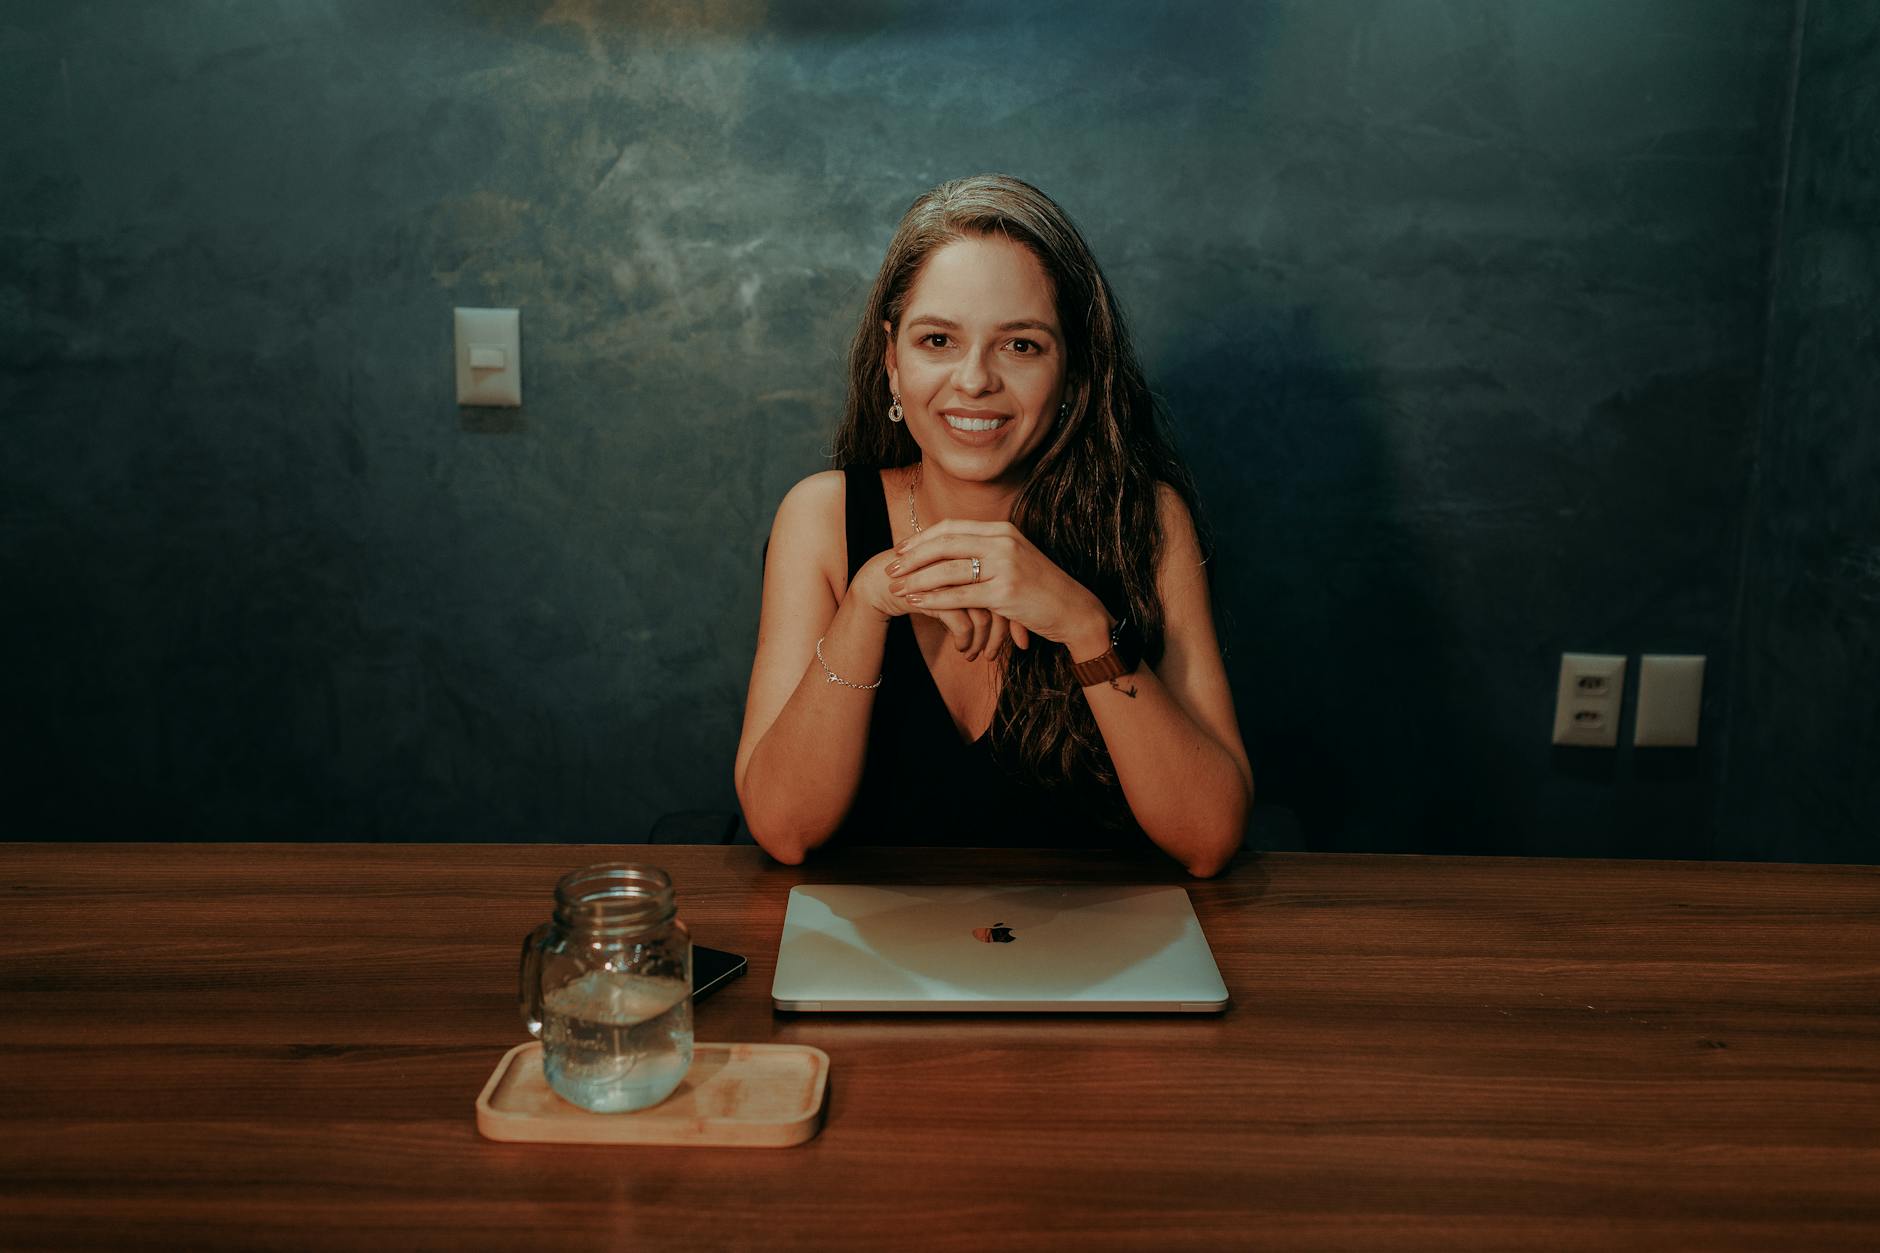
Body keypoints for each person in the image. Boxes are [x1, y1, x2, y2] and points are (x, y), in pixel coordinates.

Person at [733, 174, 1252, 877]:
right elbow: (784, 829)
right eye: (938, 339)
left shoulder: (1149, 519)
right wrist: (867, 602)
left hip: (1094, 961)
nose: (974, 380)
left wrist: (1082, 624)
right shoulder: (821, 519)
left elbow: (1210, 838)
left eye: (1021, 346)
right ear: (892, 359)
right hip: (872, 969)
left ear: (1073, 371)